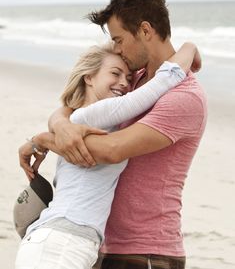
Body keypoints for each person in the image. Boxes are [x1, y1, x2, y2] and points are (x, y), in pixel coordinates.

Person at [40, 0, 207, 269]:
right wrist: (61, 124)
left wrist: (43, 140)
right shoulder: (133, 81)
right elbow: (77, 106)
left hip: (147, 254)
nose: (116, 50)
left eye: (118, 40)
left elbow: (112, 149)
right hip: (103, 245)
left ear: (145, 30)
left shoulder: (185, 97)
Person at [16, 42, 197, 269]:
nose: (124, 82)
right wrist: (189, 48)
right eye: (115, 73)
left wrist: (41, 139)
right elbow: (162, 82)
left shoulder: (81, 119)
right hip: (61, 241)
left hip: (67, 241)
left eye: (129, 77)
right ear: (89, 77)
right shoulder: (92, 115)